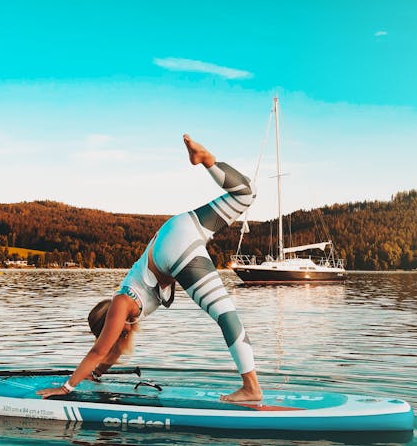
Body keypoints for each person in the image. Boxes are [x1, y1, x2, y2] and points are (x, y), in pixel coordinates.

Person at [38, 134, 263, 403]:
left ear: (109, 325)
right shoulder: (127, 316)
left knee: (226, 315)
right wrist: (94, 375)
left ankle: (251, 388)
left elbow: (99, 351)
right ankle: (207, 161)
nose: (114, 340)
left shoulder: (122, 303)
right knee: (246, 193)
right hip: (177, 228)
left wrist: (66, 388)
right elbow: (108, 355)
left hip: (175, 247)